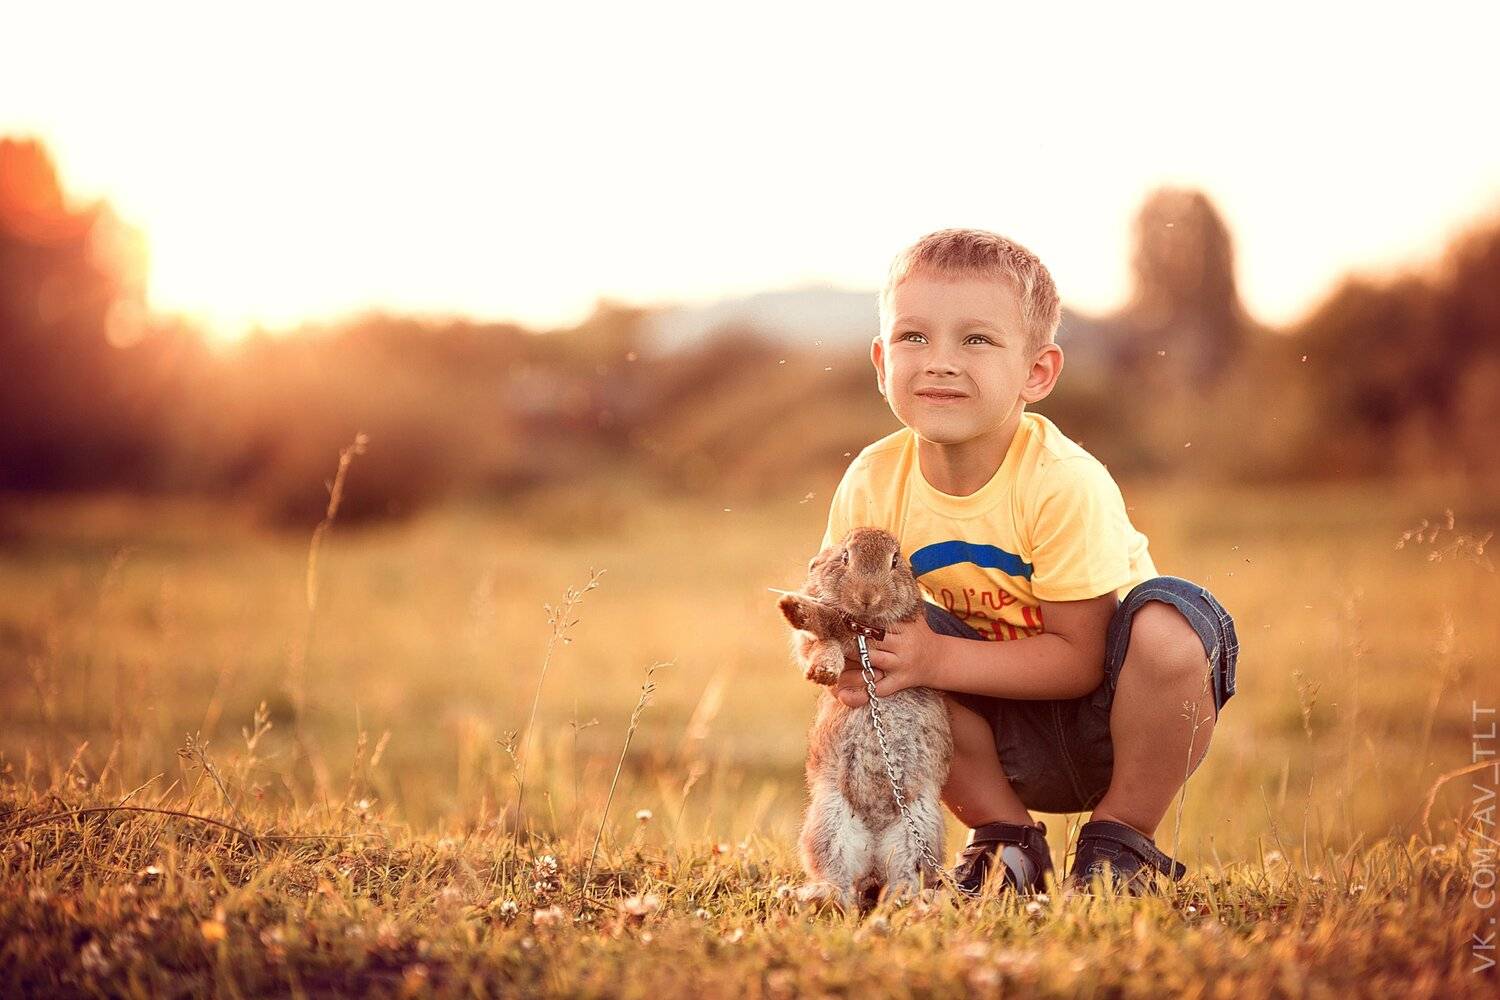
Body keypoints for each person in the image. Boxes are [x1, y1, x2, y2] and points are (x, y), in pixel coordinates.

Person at [810, 228, 1240, 896]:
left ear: (1037, 372)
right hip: (979, 734)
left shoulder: (1062, 480)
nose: (939, 362)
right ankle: (1006, 840)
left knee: (1171, 621)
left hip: (1112, 718)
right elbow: (839, 619)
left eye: (976, 339)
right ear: (880, 360)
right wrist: (837, 653)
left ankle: (1119, 843)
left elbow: (1079, 659)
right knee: (882, 648)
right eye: (913, 337)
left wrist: (934, 660)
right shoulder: (872, 480)